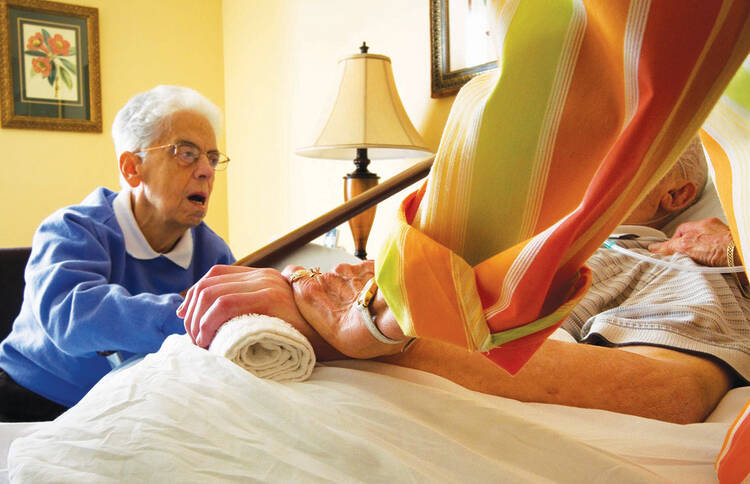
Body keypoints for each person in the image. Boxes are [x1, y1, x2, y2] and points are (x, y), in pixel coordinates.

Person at [181, 137, 749, 424]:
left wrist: (350, 336)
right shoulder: (502, 234)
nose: (580, 161)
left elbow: (670, 390)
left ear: (675, 197)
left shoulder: (678, 264)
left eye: (620, 153)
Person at [0, 85, 238, 422]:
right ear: (132, 168)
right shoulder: (73, 228)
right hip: (33, 398)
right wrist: (195, 312)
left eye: (212, 158)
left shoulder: (213, 252)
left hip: (132, 403)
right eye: (186, 153)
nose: (206, 171)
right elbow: (74, 318)